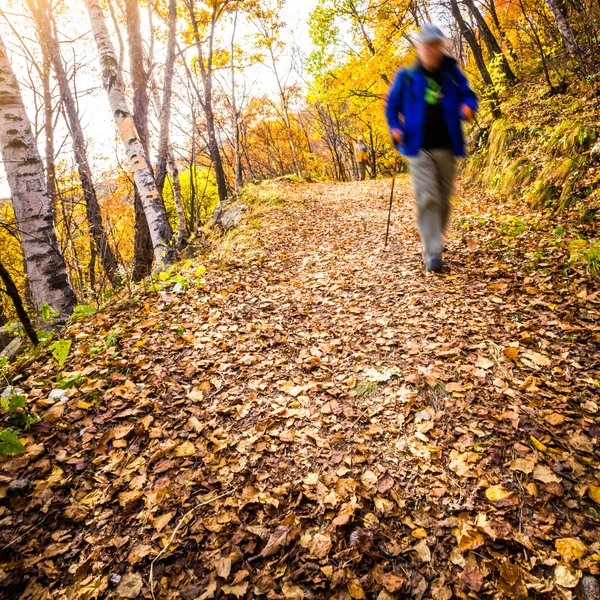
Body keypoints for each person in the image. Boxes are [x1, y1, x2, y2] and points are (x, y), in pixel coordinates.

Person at [385, 24, 478, 272]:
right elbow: (391, 107)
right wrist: (395, 128)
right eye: (425, 44)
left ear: (441, 46)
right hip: (418, 147)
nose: (430, 49)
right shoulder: (406, 76)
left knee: (444, 200)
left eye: (435, 45)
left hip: (447, 145)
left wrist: (468, 107)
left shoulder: (451, 72)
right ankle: (432, 250)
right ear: (418, 47)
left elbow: (469, 95)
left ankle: (436, 235)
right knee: (428, 198)